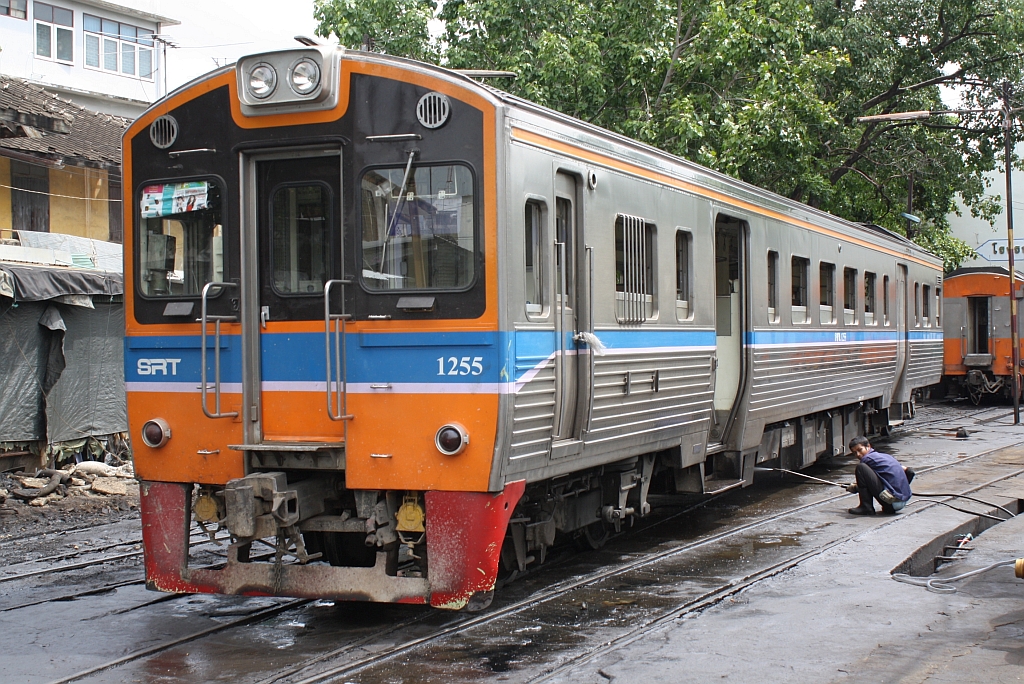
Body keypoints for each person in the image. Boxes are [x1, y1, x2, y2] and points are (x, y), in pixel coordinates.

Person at [845, 436, 914, 515]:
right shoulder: (885, 456)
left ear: (868, 446)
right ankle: (891, 504)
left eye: (860, 450)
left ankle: (866, 507)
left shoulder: (867, 459)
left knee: (861, 468)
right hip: (902, 502)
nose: (858, 454)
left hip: (892, 502)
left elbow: (867, 480)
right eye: (854, 453)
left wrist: (857, 487)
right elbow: (910, 471)